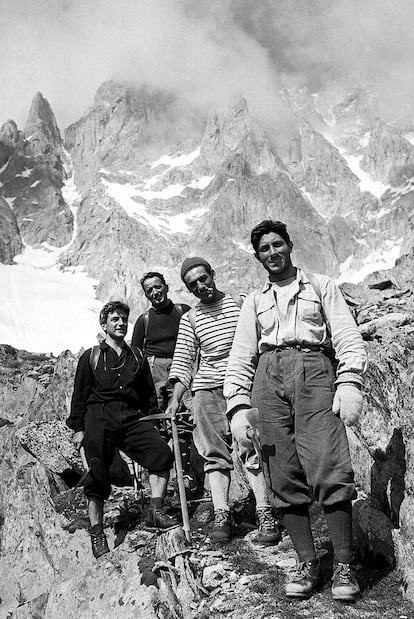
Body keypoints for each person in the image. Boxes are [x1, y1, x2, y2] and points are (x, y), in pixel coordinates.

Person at [224, 220, 367, 602]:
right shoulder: (254, 301)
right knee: (281, 471)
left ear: (290, 245)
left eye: (277, 245)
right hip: (267, 379)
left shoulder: (321, 286)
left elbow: (346, 334)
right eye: (264, 249)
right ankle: (307, 562)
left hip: (315, 370)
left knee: (327, 463)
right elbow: (241, 355)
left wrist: (349, 379)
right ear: (258, 258)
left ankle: (343, 565)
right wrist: (237, 405)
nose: (272, 253)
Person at [166, 256, 281, 544]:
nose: (200, 286)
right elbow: (182, 362)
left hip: (241, 383)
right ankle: (222, 513)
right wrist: (176, 399)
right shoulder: (189, 318)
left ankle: (265, 513)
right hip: (206, 390)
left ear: (213, 274)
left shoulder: (240, 303)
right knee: (213, 454)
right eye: (193, 285)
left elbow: (261, 339)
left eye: (203, 278)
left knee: (249, 443)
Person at [67, 301, 178, 559]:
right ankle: (97, 533)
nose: (120, 324)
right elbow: (79, 396)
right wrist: (78, 429)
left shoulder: (137, 356)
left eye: (124, 320)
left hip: (130, 418)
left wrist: (154, 423)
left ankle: (155, 510)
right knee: (96, 476)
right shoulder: (91, 356)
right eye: (115, 319)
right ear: (104, 324)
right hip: (98, 418)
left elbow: (149, 394)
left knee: (161, 454)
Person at [131, 272, 190, 410]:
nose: (155, 292)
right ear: (146, 295)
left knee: (185, 406)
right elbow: (136, 353)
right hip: (154, 370)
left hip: (182, 365)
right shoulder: (143, 320)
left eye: (158, 287)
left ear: (166, 288)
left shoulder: (183, 311)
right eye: (149, 290)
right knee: (158, 407)